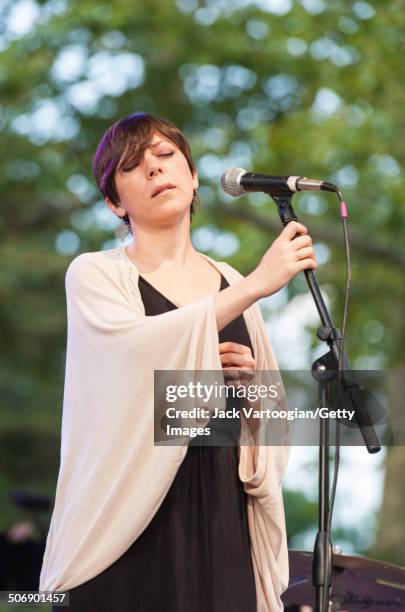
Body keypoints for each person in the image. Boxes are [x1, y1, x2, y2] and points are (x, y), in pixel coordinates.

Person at [39, 112, 317, 612]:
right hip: (127, 518)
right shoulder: (95, 274)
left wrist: (250, 389)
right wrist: (259, 283)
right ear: (113, 202)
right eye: (132, 165)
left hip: (217, 512)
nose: (154, 169)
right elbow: (128, 366)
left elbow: (271, 424)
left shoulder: (227, 280)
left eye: (166, 156)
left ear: (193, 178)